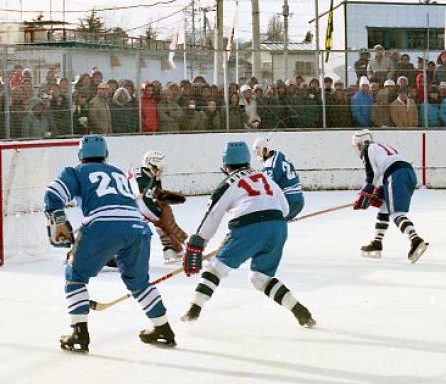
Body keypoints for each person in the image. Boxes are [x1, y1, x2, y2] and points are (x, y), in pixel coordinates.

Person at [45, 135, 176, 353]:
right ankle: (163, 328)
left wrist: (58, 219)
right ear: (106, 156)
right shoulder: (118, 172)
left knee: (74, 276)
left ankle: (79, 333)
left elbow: (52, 194)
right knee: (139, 283)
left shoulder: (76, 171)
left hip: (101, 227)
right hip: (137, 228)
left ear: (80, 155)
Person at [180, 142, 316, 328]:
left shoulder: (228, 182)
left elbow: (213, 215)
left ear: (225, 165)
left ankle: (193, 312)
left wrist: (197, 245)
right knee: (260, 278)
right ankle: (301, 312)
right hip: (278, 227)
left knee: (215, 269)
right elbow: (284, 207)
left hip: (249, 227)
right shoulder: (264, 177)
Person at [351, 130, 428, 263]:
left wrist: (365, 192)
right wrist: (378, 191)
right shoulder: (380, 147)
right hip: (408, 173)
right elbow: (384, 168)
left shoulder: (367, 149)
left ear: (359, 144)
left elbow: (373, 174)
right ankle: (377, 242)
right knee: (384, 207)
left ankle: (415, 240)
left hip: (395, 175)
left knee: (396, 213)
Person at [127, 151, 188, 263]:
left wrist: (163, 195)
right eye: (160, 167)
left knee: (161, 212)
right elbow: (144, 203)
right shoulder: (143, 178)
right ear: (151, 165)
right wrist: (160, 217)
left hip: (126, 210)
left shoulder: (146, 174)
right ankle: (181, 243)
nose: (161, 170)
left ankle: (170, 248)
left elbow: (153, 193)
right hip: (129, 212)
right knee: (163, 214)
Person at [252, 135, 304, 221]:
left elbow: (269, 192)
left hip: (288, 203)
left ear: (266, 150)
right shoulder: (279, 155)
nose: (258, 153)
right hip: (298, 201)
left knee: (265, 221)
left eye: (259, 150)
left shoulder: (269, 166)